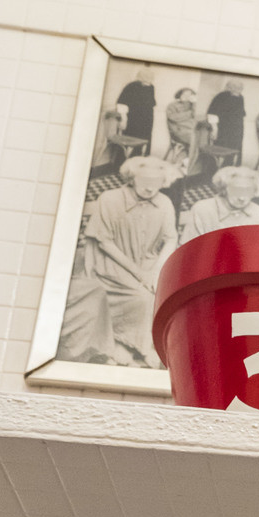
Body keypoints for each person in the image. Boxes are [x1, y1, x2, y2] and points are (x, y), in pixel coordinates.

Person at [58, 152, 178, 363]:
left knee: (165, 292)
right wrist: (140, 274)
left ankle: (140, 345)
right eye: (144, 181)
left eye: (156, 182)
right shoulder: (110, 199)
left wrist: (155, 271)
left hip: (147, 263)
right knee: (141, 297)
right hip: (111, 262)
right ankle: (125, 347)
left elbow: (170, 239)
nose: (150, 188)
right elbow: (105, 243)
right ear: (132, 178)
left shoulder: (166, 203)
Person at [176, 164, 259, 243]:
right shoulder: (202, 209)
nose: (242, 198)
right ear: (224, 189)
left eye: (248, 191)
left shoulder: (257, 212)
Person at [205, 76, 246, 168]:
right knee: (221, 150)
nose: (238, 89)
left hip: (237, 129)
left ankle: (228, 169)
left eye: (240, 87)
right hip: (223, 129)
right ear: (229, 87)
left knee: (234, 151)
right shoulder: (221, 96)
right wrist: (215, 129)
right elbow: (212, 113)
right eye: (235, 87)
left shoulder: (240, 98)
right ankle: (214, 171)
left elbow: (240, 114)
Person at [115, 67, 157, 155]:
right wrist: (123, 119)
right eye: (146, 77)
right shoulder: (131, 86)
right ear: (141, 76)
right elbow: (122, 103)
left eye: (151, 77)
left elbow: (151, 103)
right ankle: (123, 163)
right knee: (130, 140)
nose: (149, 80)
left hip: (147, 120)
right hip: (133, 119)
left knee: (144, 141)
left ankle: (140, 162)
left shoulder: (151, 87)